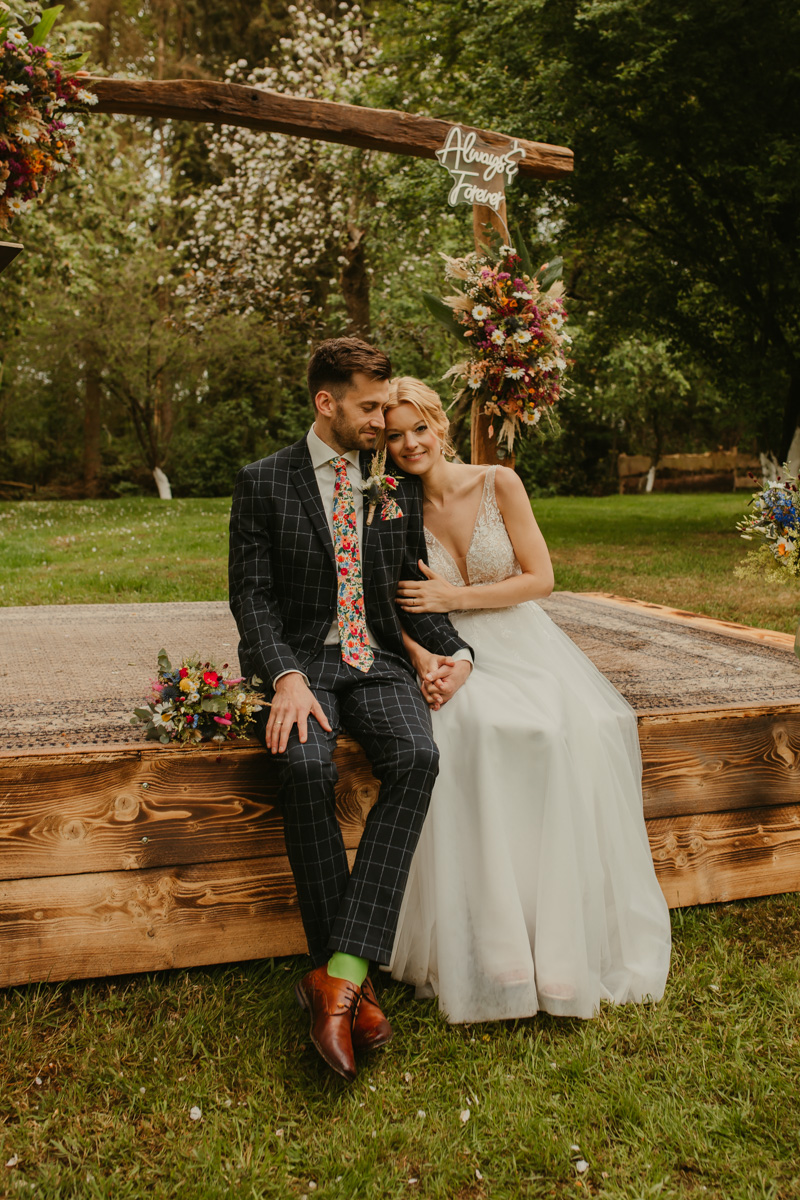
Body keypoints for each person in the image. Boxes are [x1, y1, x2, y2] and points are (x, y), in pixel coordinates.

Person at [384, 377, 672, 1023]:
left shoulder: (499, 483)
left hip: (520, 639)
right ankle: (499, 944)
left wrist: (456, 596)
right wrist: (428, 658)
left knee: (562, 731)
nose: (410, 444)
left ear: (440, 426)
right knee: (476, 732)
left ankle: (560, 943)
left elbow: (541, 579)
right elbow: (389, 603)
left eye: (419, 428)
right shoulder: (391, 507)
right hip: (448, 649)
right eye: (396, 435)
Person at [228, 340, 473, 1080]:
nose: (380, 421)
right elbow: (252, 599)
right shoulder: (264, 481)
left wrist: (458, 654)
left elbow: (409, 586)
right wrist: (284, 677)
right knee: (305, 767)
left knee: (418, 757)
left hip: (379, 661)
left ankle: (337, 976)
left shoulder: (391, 484)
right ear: (326, 402)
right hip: (302, 664)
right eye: (369, 408)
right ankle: (349, 984)